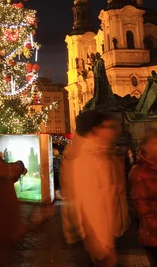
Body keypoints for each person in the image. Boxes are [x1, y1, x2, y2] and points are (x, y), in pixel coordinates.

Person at [60, 110, 129, 267]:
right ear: (96, 129)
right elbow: (92, 206)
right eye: (108, 126)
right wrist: (104, 247)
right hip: (98, 243)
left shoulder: (100, 153)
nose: (113, 130)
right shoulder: (89, 158)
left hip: (105, 236)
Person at [129, 130, 157, 267]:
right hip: (153, 232)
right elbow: (141, 206)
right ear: (145, 147)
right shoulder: (140, 172)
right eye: (154, 143)